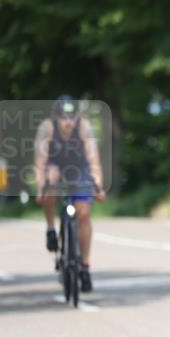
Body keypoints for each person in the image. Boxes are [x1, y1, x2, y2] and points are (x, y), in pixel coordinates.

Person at [33, 96, 107, 292]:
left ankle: (84, 266)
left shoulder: (84, 127)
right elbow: (40, 162)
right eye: (63, 117)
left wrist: (98, 186)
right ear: (56, 117)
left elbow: (94, 160)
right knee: (50, 179)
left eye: (71, 117)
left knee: (84, 213)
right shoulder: (47, 128)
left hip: (78, 168)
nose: (68, 121)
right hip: (55, 165)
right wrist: (41, 188)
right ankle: (51, 228)